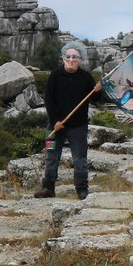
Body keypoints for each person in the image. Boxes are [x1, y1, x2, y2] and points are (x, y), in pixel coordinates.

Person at [34, 41, 102, 200]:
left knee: (80, 158)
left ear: (80, 59)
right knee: (51, 155)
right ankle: (48, 188)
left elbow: (96, 98)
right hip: (55, 126)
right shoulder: (55, 75)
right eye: (68, 56)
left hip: (78, 127)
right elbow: (49, 100)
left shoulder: (86, 77)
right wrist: (55, 121)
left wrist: (98, 90)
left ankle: (82, 190)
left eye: (75, 57)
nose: (71, 59)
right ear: (64, 57)